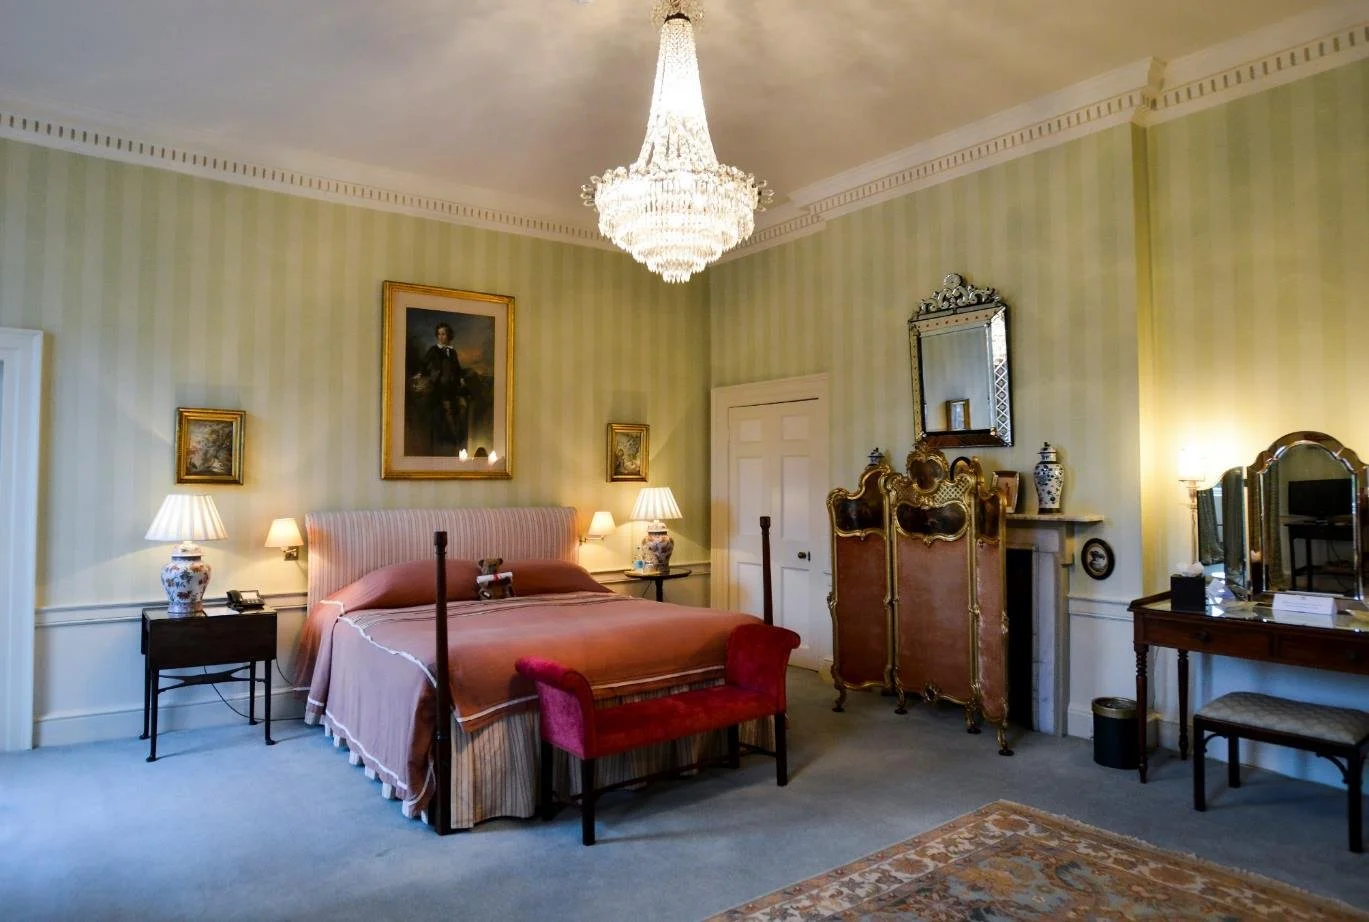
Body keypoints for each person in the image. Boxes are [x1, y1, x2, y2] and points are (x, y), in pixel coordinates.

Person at [419, 322, 469, 453]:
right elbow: (424, 365)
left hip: (453, 386)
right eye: (439, 334)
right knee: (447, 411)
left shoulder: (452, 352)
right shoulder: (433, 350)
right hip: (440, 387)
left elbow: (457, 368)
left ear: (448, 335)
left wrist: (461, 379)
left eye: (444, 334)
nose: (441, 337)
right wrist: (420, 374)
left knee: (461, 408)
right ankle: (455, 440)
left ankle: (459, 438)